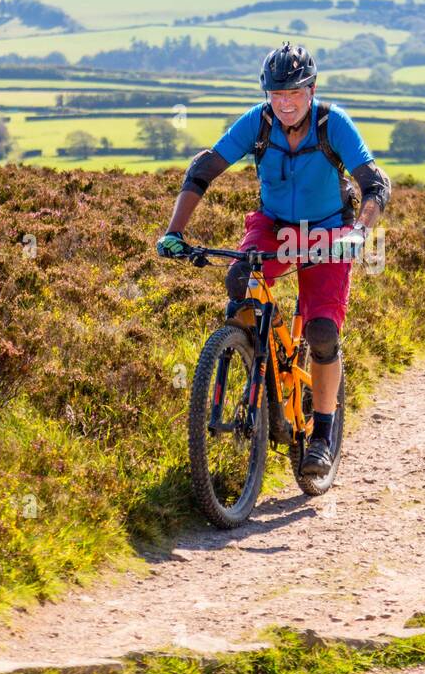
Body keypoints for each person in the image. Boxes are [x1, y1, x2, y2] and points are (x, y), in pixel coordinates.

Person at [154, 42, 391, 478]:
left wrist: (359, 230)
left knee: (322, 332)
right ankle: (254, 355)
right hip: (274, 227)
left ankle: (321, 435)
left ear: (312, 90)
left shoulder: (332, 123)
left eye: (294, 94)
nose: (284, 104)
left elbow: (375, 184)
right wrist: (175, 231)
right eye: (276, 95)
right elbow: (204, 169)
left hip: (329, 232)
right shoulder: (258, 123)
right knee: (240, 281)